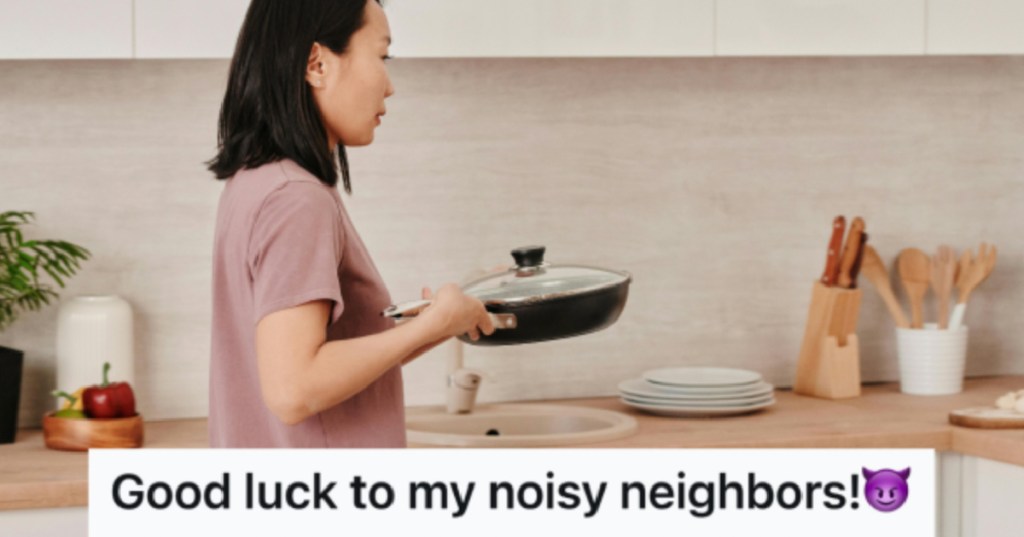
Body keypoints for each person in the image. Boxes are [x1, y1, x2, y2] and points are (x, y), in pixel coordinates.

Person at [205, 0, 494, 448]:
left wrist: (437, 325)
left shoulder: (257, 181)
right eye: (382, 56)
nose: (390, 86)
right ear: (317, 64)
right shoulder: (296, 199)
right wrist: (430, 326)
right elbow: (294, 389)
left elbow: (313, 364)